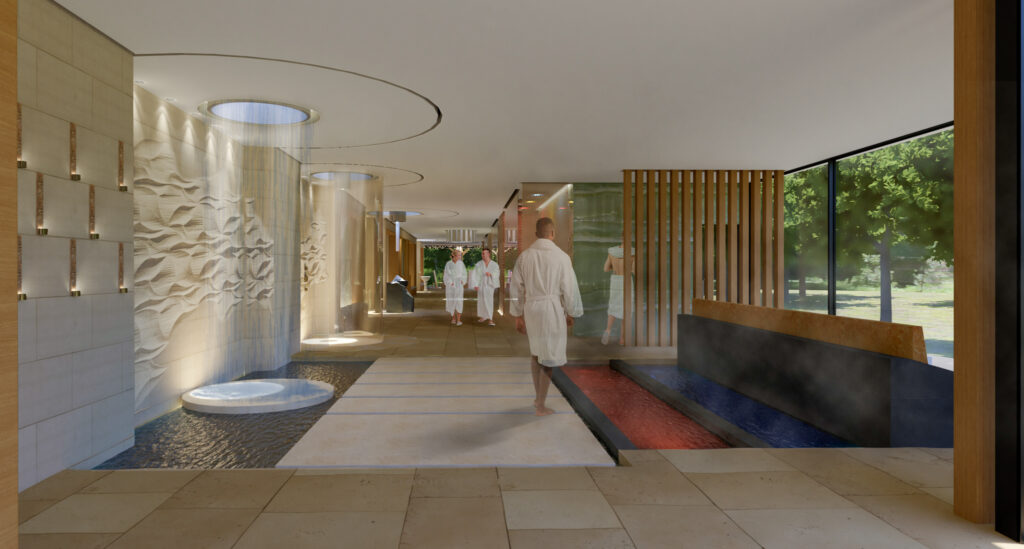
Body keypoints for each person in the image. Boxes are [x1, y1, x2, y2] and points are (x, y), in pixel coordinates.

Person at [509, 217, 583, 416]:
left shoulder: (525, 256)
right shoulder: (562, 257)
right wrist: (571, 311)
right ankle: (541, 405)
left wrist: (517, 314)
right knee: (549, 357)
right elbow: (569, 288)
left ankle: (537, 398)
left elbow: (515, 288)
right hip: (552, 308)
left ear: (536, 234)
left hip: (532, 309)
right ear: (553, 233)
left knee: (536, 353)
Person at [601, 244, 633, 345]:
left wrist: (614, 266)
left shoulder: (612, 252)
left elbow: (605, 269)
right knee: (626, 309)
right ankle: (622, 339)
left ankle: (607, 330)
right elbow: (634, 270)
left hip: (615, 280)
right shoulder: (632, 253)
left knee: (613, 305)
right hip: (626, 280)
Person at [471, 248, 500, 326]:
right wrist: (475, 284)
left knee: (489, 301)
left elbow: (497, 273)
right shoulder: (479, 264)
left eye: (485, 253)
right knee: (481, 301)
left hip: (489, 285)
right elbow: (475, 275)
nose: (483, 255)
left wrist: (491, 274)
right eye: (482, 253)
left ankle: (490, 319)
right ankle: (483, 316)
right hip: (481, 285)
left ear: (489, 254)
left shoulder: (494, 264)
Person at [443, 248, 468, 325]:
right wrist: (450, 282)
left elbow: (464, 273)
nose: (460, 257)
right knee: (451, 301)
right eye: (459, 255)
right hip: (451, 285)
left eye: (460, 255)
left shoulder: (461, 264)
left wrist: (463, 280)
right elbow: (446, 275)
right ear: (454, 256)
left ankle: (459, 320)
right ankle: (453, 318)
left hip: (459, 285)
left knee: (459, 301)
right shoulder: (448, 264)